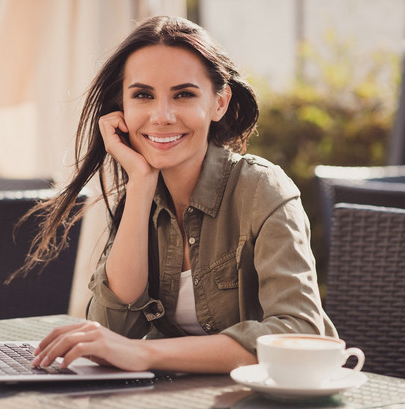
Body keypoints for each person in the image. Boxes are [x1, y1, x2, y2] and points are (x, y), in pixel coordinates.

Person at [19, 15, 337, 374]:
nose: (162, 115)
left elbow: (300, 334)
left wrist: (147, 355)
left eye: (184, 94)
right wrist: (139, 183)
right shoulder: (140, 196)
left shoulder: (261, 190)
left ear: (219, 103)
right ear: (121, 109)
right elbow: (112, 330)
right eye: (143, 95)